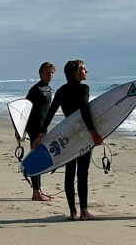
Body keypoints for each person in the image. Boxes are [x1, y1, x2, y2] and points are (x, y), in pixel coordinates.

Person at [34, 59, 103, 220]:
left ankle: (72, 212)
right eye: (83, 69)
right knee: (83, 172)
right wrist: (93, 132)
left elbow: (51, 112)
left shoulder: (61, 90)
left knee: (70, 172)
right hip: (82, 134)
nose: (86, 71)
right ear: (75, 72)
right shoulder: (83, 88)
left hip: (67, 135)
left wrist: (41, 133)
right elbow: (84, 110)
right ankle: (84, 212)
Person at [25, 62, 56, 202]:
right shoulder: (35, 90)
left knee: (40, 158)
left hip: (43, 128)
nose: (50, 75)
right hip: (35, 128)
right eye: (47, 72)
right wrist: (22, 131)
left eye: (52, 73)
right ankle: (36, 192)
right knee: (36, 159)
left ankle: (39, 189)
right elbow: (25, 109)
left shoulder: (48, 88)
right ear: (40, 73)